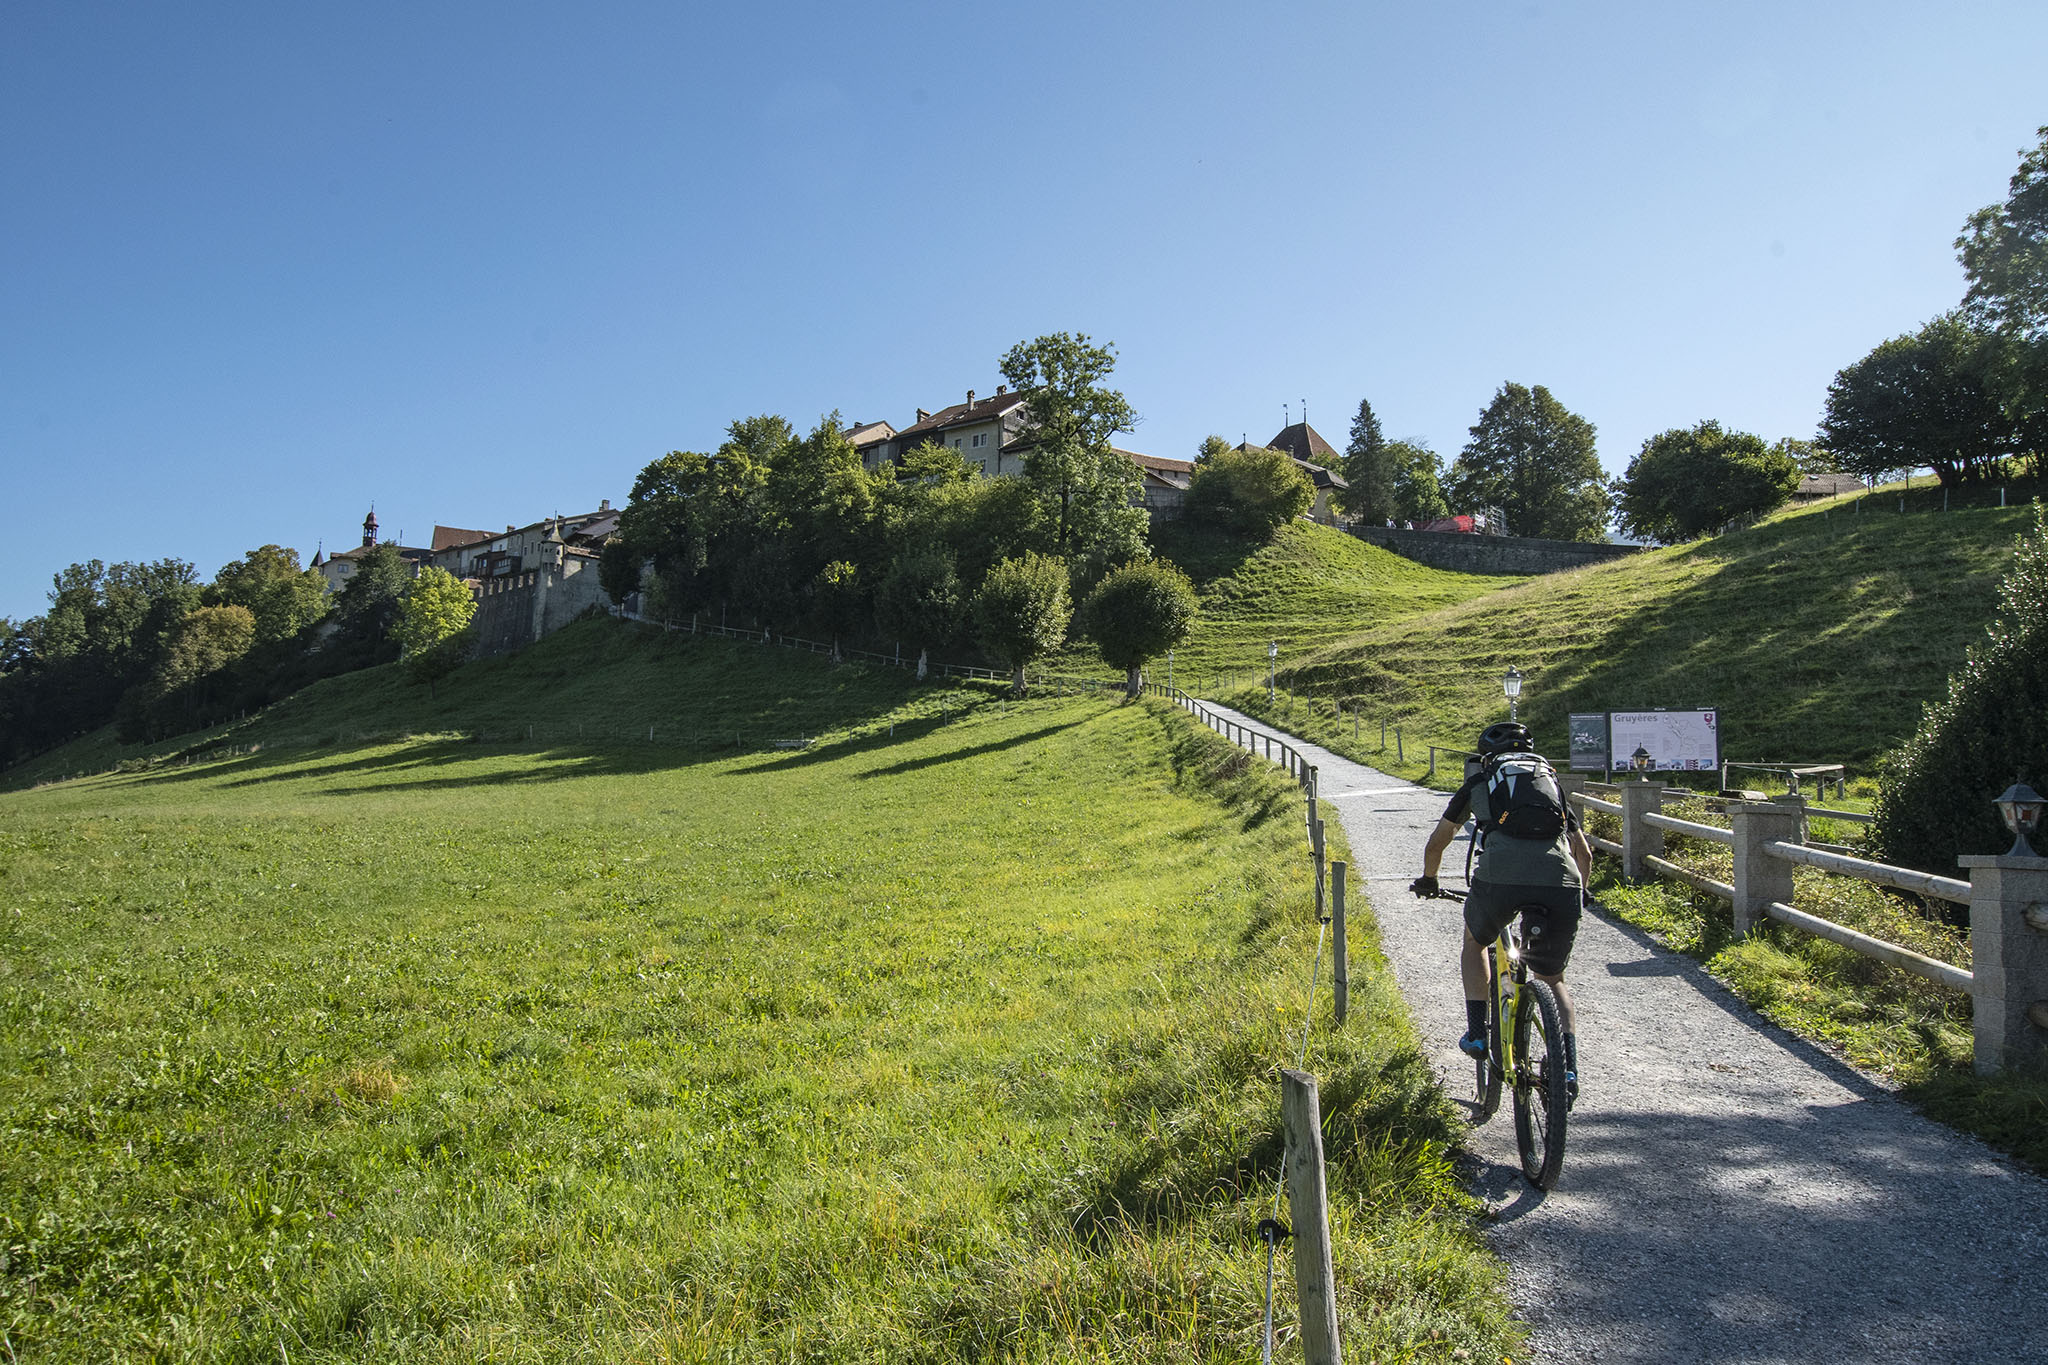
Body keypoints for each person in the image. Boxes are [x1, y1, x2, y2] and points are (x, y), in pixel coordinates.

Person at [1409, 721, 1592, 1098]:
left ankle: (1477, 1032)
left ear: (1487, 757)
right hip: (1562, 884)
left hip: (1499, 881)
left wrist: (1429, 879)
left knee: (1476, 943)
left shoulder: (1481, 784)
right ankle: (1569, 1069)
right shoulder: (1551, 785)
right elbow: (1583, 853)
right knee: (1553, 979)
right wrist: (1582, 893)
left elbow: (1438, 841)